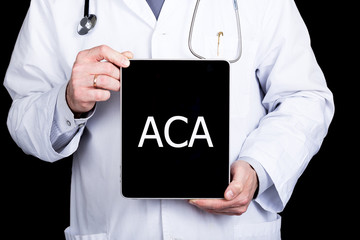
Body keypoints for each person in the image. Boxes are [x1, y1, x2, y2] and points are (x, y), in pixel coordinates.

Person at [4, 0, 334, 239]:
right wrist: (67, 101)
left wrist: (258, 169)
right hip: (117, 229)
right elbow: (23, 115)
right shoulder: (56, 5)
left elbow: (304, 98)